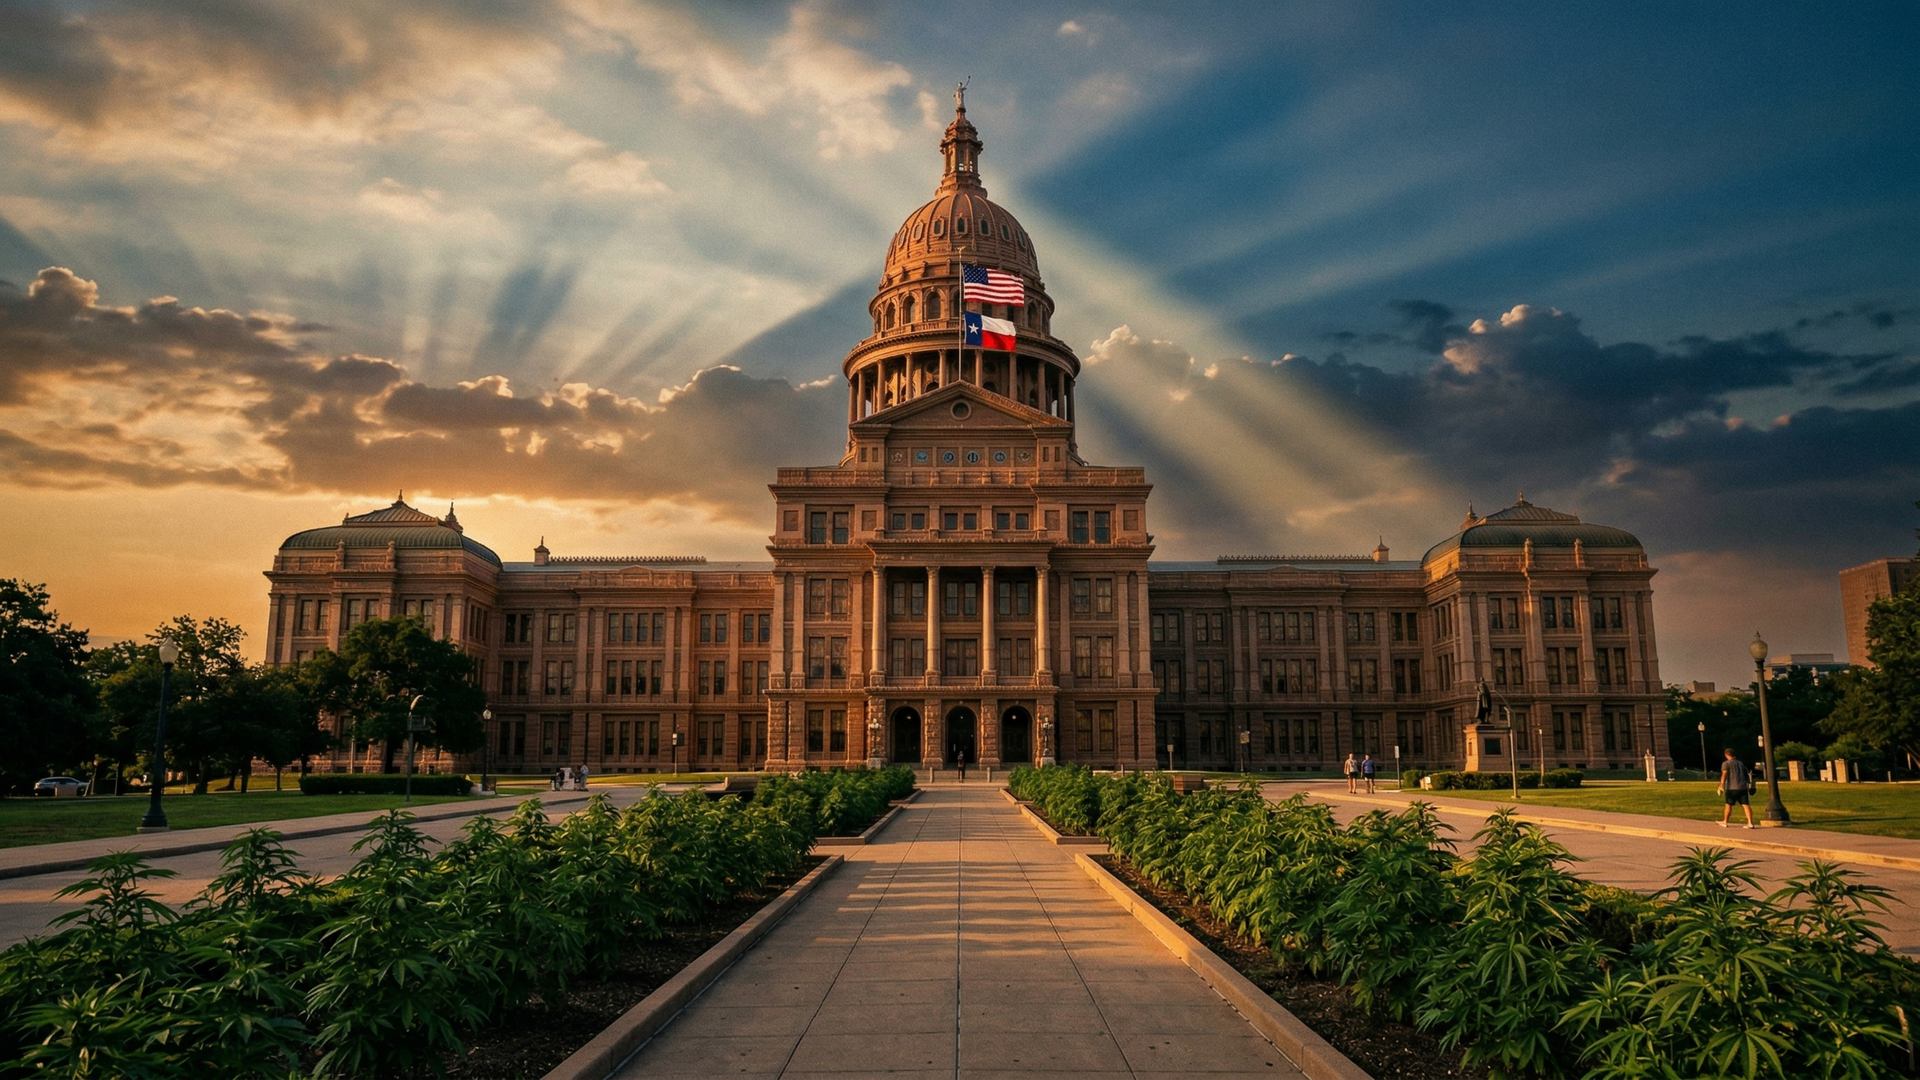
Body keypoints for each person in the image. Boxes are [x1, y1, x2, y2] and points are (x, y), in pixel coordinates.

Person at [1718, 747, 1755, 829]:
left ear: (1726, 755)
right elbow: (1746, 775)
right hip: (1742, 787)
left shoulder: (1726, 763)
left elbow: (1724, 774)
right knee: (1746, 805)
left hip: (1731, 788)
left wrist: (1721, 785)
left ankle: (1725, 821)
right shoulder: (1741, 763)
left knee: (1728, 805)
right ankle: (1750, 822)